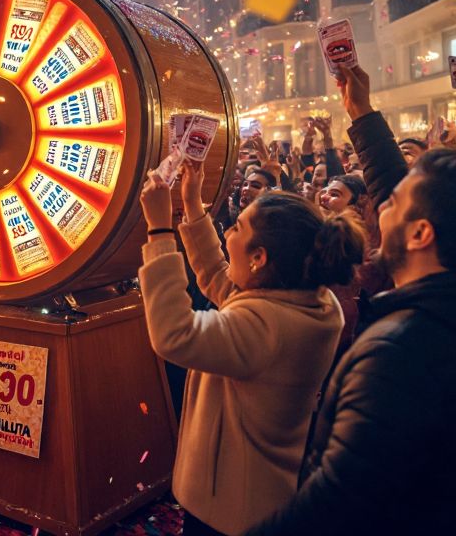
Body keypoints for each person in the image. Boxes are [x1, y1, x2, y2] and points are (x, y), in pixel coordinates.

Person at [249, 64, 456, 535]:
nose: (380, 205)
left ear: (422, 233)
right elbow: (394, 184)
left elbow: (333, 506)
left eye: (396, 203)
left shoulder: (399, 356)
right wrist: (361, 113)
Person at [138, 156, 361, 536]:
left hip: (230, 507)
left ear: (259, 259)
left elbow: (175, 334)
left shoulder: (270, 325)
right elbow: (221, 282)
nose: (227, 236)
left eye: (237, 229)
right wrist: (192, 205)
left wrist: (160, 232)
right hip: (257, 492)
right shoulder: (306, 300)